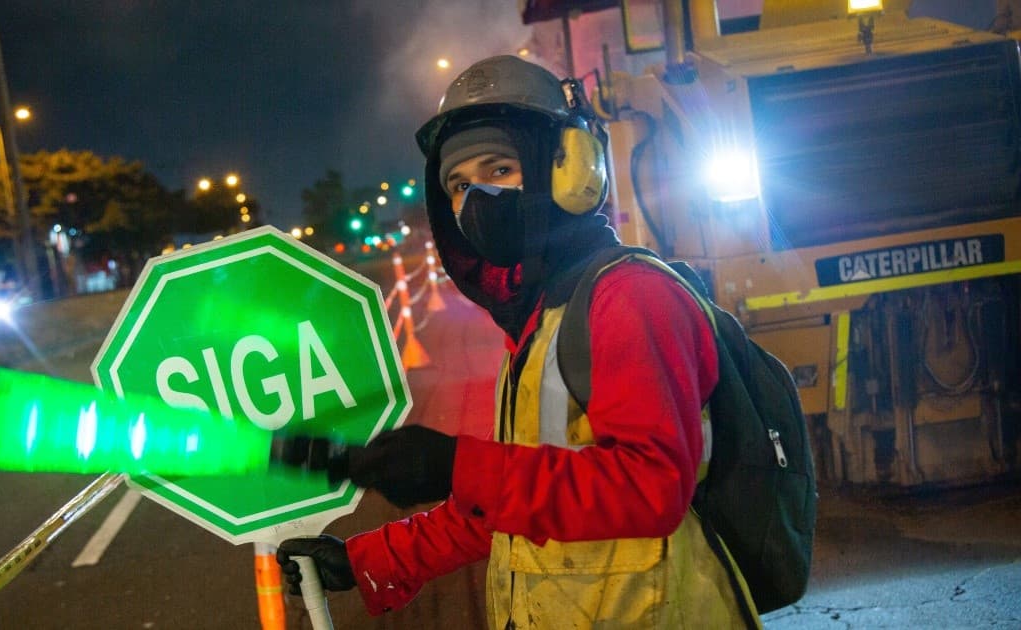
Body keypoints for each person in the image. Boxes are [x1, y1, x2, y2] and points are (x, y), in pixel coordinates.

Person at [277, 55, 757, 628]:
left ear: (567, 170)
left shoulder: (630, 298)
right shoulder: (541, 317)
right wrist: (366, 560)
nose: (475, 200)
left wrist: (456, 465)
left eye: (499, 169)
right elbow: (518, 499)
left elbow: (649, 487)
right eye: (458, 184)